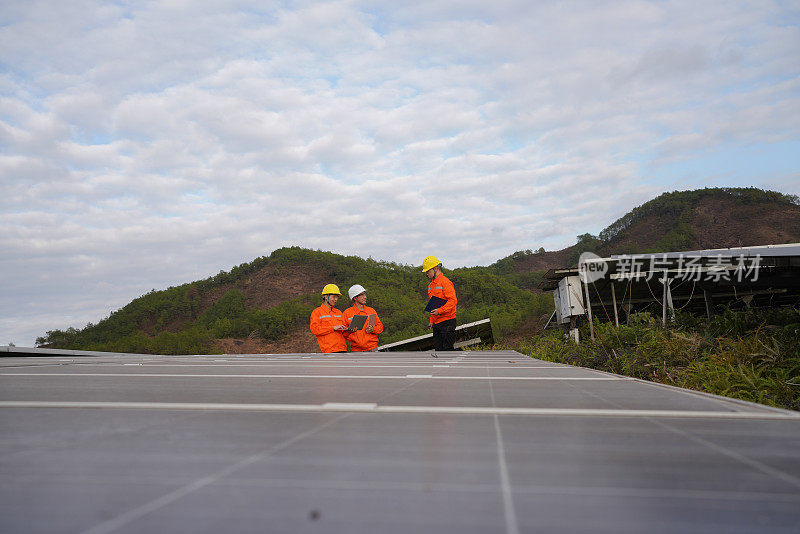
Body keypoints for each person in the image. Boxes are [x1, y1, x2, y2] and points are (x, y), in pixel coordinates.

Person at [422, 255, 458, 351]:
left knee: (447, 350)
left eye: (428, 271)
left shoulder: (445, 282)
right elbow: (433, 304)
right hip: (437, 323)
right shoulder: (431, 286)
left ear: (435, 268)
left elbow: (453, 301)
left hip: (448, 321)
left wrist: (440, 310)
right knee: (439, 350)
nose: (427, 274)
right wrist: (432, 320)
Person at [343, 284, 384, 352]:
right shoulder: (346, 313)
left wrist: (372, 329)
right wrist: (349, 332)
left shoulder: (371, 311)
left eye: (365, 294)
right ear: (355, 298)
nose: (365, 297)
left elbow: (380, 328)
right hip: (356, 351)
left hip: (373, 349)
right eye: (362, 295)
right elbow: (343, 335)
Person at [309, 284, 348, 353]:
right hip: (329, 351)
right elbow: (315, 330)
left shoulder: (338, 312)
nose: (336, 299)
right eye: (334, 297)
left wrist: (350, 330)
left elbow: (344, 333)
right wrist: (333, 328)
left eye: (337, 297)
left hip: (342, 349)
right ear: (326, 297)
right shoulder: (317, 312)